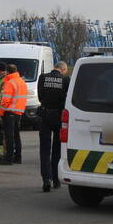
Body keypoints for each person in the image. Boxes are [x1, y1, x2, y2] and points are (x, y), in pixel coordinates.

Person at [37, 61, 70, 191]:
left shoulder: (43, 77)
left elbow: (40, 96)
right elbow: (67, 98)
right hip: (58, 117)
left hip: (45, 115)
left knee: (44, 150)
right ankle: (56, 180)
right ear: (63, 69)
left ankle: (46, 180)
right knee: (57, 150)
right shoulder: (65, 80)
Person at [0, 63, 26, 165]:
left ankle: (8, 158)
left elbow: (5, 100)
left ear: (7, 72)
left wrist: (1, 112)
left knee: (9, 136)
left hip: (9, 112)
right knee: (16, 135)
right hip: (19, 112)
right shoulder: (21, 81)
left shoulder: (9, 82)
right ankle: (18, 157)